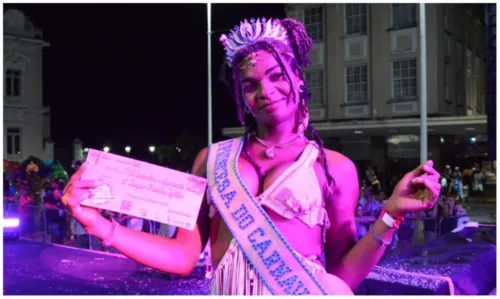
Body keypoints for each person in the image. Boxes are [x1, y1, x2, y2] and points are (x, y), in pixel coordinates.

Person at [62, 17, 441, 295]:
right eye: (251, 84)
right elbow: (182, 256)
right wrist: (98, 224)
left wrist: (391, 214)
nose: (266, 90)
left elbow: (342, 273)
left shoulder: (335, 168)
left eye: (277, 76)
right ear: (241, 96)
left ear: (298, 79)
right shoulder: (210, 160)